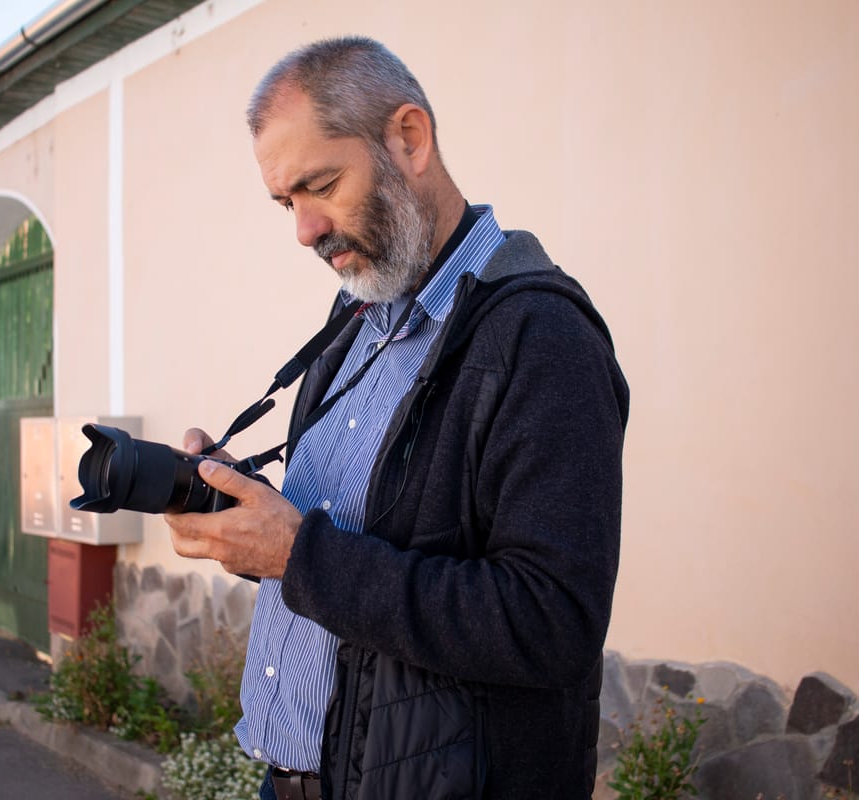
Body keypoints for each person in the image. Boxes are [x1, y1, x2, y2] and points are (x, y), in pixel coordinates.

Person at [164, 36, 629, 800]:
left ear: (409, 139)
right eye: (287, 202)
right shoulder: (354, 324)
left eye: (321, 185)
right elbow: (357, 545)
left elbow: (553, 625)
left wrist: (298, 556)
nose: (304, 230)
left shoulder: (543, 339)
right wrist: (246, 522)